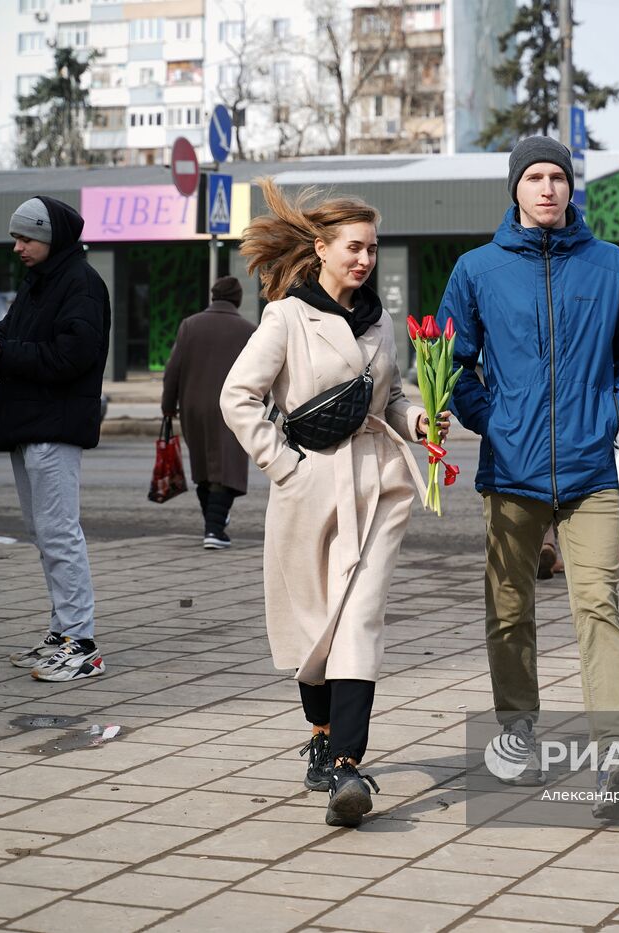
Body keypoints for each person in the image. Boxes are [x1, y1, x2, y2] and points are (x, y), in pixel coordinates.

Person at [439, 136, 619, 821]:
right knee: (508, 608)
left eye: (557, 177)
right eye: (533, 177)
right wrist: (492, 419)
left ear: (571, 188)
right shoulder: (477, 270)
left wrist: (613, 409)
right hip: (510, 470)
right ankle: (517, 727)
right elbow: (451, 361)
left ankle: (617, 753)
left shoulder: (611, 267)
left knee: (597, 602)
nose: (546, 188)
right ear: (514, 188)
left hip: (592, 470)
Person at [221, 179, 447, 828]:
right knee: (312, 633)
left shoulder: (380, 322)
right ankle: (320, 730)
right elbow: (238, 397)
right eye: (354, 247)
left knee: (360, 620)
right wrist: (282, 466)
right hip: (309, 488)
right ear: (320, 248)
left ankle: (348, 765)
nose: (365, 259)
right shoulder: (287, 317)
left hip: (380, 488)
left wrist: (419, 422)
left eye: (373, 248)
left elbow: (393, 397)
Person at [0, 197, 111, 683]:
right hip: (30, 423)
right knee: (45, 533)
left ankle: (82, 644)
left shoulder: (82, 285)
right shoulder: (39, 283)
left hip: (55, 425)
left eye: (27, 239)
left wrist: (6, 351)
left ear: (53, 239)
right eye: (15, 238)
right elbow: (7, 336)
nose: (18, 247)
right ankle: (62, 634)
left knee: (60, 533)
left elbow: (72, 356)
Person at [161, 276, 256, 549]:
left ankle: (213, 527)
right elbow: (261, 374)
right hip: (233, 409)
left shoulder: (190, 325)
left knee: (204, 467)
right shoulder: (248, 330)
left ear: (213, 296)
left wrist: (168, 406)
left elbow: (173, 371)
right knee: (226, 468)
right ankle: (214, 529)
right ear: (237, 299)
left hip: (193, 408)